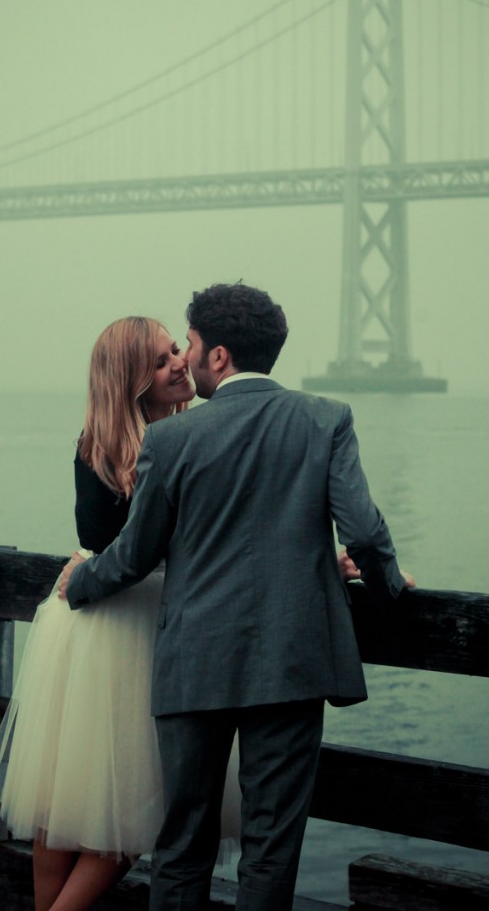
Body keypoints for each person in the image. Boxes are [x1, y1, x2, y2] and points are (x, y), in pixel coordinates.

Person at [60, 283, 416, 911]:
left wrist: (80, 584)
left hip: (194, 661)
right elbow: (363, 529)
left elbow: (136, 553)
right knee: (271, 846)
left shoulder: (170, 441)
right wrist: (390, 587)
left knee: (182, 843)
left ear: (218, 357)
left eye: (189, 345)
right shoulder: (326, 418)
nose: (184, 358)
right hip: (293, 661)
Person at [0, 315, 241, 911]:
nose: (179, 361)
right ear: (129, 380)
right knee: (131, 809)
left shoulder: (110, 444)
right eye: (159, 359)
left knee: (73, 804)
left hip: (99, 620)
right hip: (119, 633)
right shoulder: (120, 449)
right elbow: (130, 545)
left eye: (177, 349)